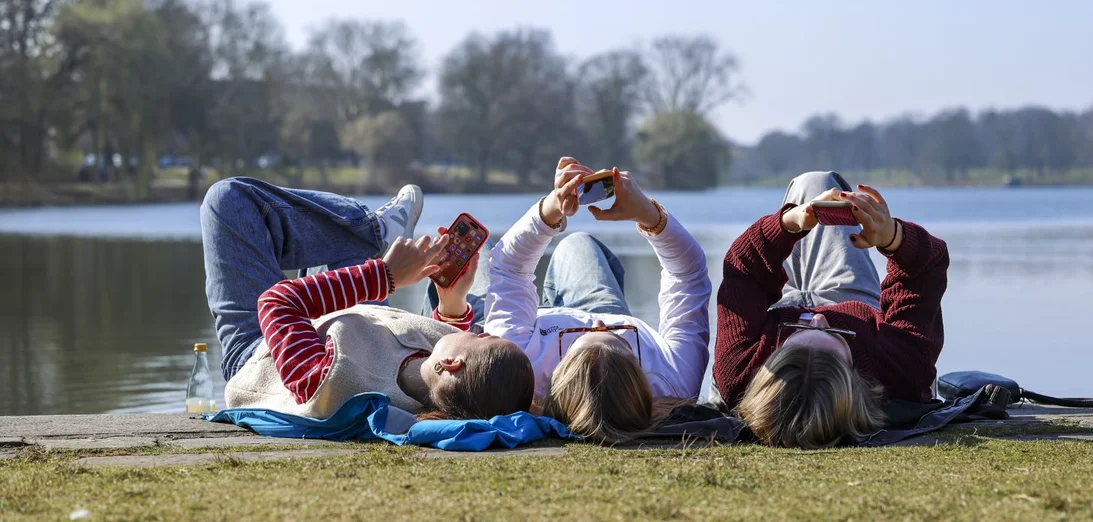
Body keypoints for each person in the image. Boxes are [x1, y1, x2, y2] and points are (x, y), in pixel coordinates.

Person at [200, 177, 534, 421]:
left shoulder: (332, 383)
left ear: (452, 363)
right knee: (352, 253)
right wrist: (451, 302)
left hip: (263, 352)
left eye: (479, 336)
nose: (479, 329)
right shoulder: (435, 384)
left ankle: (373, 229)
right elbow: (438, 344)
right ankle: (368, 237)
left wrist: (385, 277)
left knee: (228, 201)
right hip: (354, 327)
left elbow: (277, 305)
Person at [713, 171, 949, 448]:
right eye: (833, 333)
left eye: (799, 331)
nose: (819, 317)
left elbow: (743, 270)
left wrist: (790, 223)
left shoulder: (740, 371)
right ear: (856, 375)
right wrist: (892, 236)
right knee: (818, 183)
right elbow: (926, 269)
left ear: (773, 359)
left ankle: (813, 333)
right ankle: (819, 334)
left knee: (811, 193)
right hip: (855, 308)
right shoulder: (899, 370)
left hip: (777, 313)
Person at [485, 158, 711, 443]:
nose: (601, 323)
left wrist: (550, 211)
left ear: (558, 374)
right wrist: (650, 216)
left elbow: (509, 267)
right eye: (620, 341)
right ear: (641, 382)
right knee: (578, 243)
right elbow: (688, 275)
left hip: (532, 329)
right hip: (602, 305)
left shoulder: (519, 369)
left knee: (479, 255)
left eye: (589, 334)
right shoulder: (673, 384)